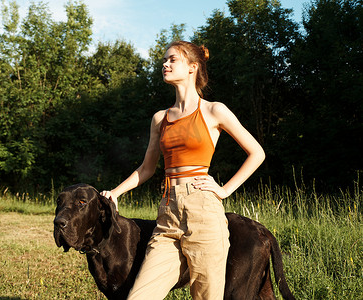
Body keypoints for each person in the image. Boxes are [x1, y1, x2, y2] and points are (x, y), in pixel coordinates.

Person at [101, 40, 265, 300]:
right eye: (164, 60)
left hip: (204, 213)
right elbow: (146, 168)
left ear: (192, 67)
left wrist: (223, 190)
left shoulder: (214, 110)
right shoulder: (160, 119)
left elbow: (257, 153)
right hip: (168, 216)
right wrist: (116, 192)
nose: (165, 64)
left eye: (172, 60)